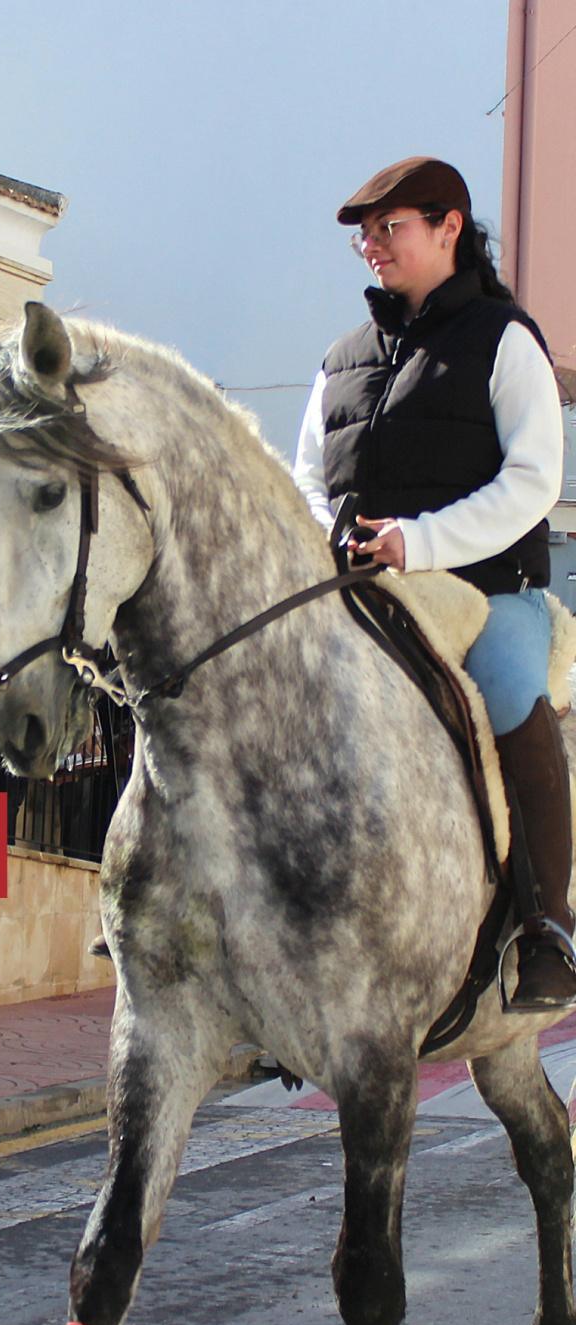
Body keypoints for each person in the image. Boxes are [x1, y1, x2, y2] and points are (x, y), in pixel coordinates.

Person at [293, 156, 570, 1007]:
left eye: (391, 228)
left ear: (450, 226)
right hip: (366, 596)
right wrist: (329, 527)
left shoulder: (505, 338)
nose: (372, 246)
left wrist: (421, 541)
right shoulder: (342, 358)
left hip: (489, 596)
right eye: (363, 236)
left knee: (508, 691)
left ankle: (547, 927)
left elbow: (533, 481)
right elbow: (306, 473)